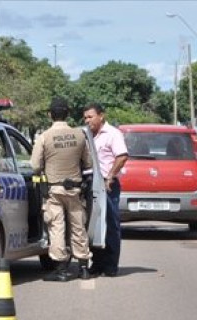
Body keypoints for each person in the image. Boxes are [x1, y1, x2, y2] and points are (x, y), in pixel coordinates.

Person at [30, 97, 93, 282]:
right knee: (78, 227)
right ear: (68, 113)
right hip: (75, 189)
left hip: (54, 191)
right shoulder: (80, 135)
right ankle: (83, 268)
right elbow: (88, 163)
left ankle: (61, 270)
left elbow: (34, 165)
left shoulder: (44, 137)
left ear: (50, 114)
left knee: (57, 227)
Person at [83, 103, 128, 277]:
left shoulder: (113, 134)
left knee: (110, 225)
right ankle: (97, 263)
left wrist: (110, 176)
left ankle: (110, 265)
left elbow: (122, 156)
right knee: (93, 226)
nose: (87, 120)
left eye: (90, 116)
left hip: (107, 185)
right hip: (90, 184)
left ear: (101, 116)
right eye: (85, 117)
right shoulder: (86, 135)